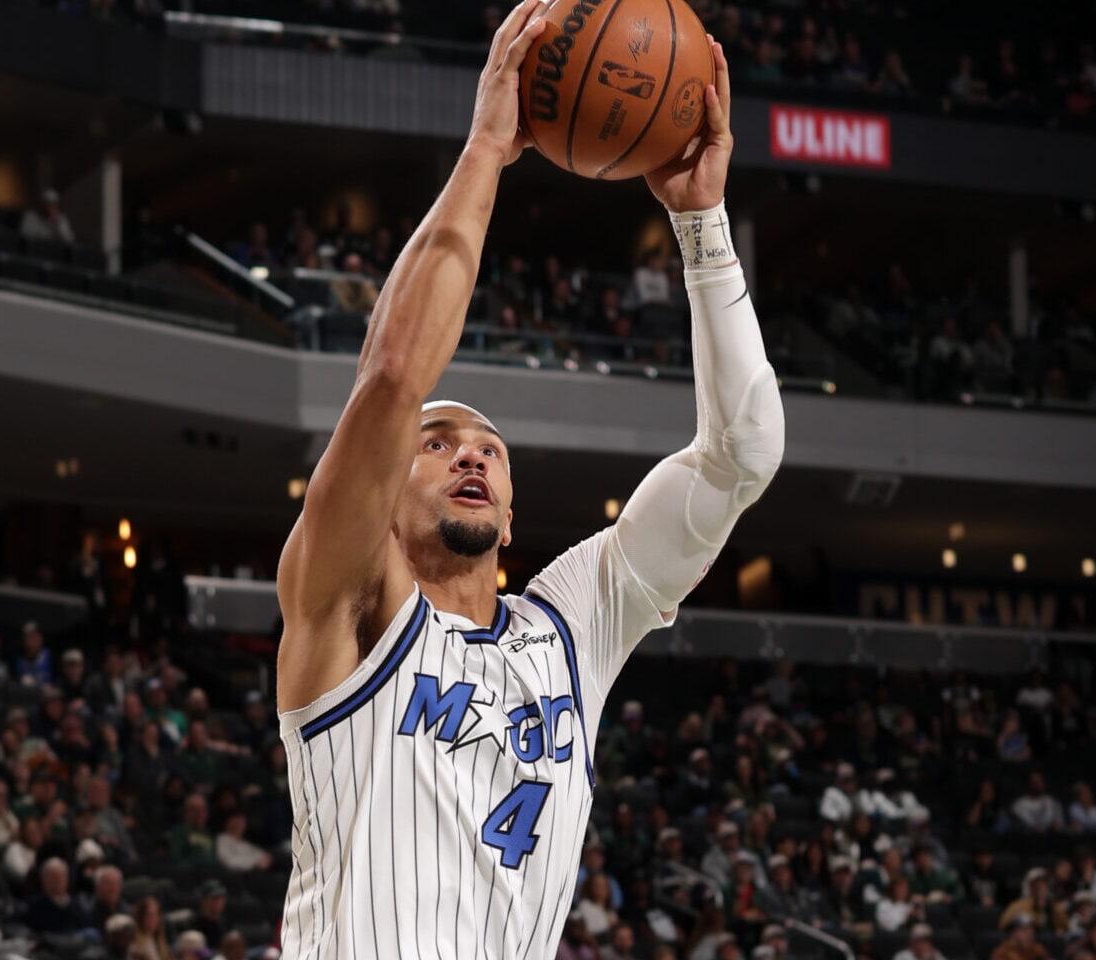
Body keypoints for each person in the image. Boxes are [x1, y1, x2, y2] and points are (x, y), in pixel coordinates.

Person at [272, 19, 775, 959]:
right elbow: (391, 376)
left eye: (488, 451)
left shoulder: (571, 624)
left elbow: (740, 456)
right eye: (435, 445)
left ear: (510, 520)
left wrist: (701, 225)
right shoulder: (349, 600)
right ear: (382, 500)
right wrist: (487, 150)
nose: (468, 457)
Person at [1001, 868, 1067, 934]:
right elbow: (1003, 927)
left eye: (1043, 884)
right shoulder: (1017, 907)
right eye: (1036, 885)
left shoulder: (1055, 906)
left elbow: (1065, 927)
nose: (1040, 888)